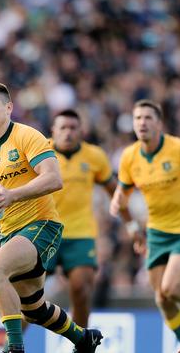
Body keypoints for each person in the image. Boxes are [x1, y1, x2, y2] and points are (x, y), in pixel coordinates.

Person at [0, 81, 103, 353]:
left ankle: (14, 347)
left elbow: (53, 178)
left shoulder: (28, 136)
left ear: (8, 108)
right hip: (9, 233)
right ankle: (84, 339)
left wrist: (12, 195)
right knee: (34, 308)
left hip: (42, 225)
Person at [109, 99, 180, 348]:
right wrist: (131, 226)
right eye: (138, 118)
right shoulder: (129, 157)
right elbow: (122, 196)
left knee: (172, 287)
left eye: (148, 118)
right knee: (162, 299)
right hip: (156, 234)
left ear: (159, 123)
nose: (142, 123)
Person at [48, 109, 116, 327]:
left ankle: (81, 343)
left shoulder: (94, 156)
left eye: (72, 128)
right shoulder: (40, 152)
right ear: (53, 131)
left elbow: (113, 189)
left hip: (80, 232)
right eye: (63, 128)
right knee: (29, 295)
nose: (68, 133)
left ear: (81, 131)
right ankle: (12, 345)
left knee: (81, 288)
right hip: (44, 230)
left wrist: (128, 223)